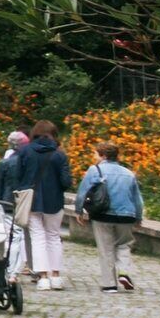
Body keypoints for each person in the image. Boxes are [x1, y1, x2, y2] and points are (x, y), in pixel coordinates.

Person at [78, 141, 145, 291]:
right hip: (126, 216)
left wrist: (79, 211)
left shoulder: (94, 170)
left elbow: (83, 192)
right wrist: (138, 217)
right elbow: (138, 200)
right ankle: (124, 272)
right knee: (124, 244)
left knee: (106, 248)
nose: (94, 157)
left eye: (96, 154)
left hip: (102, 214)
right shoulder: (128, 173)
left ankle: (109, 284)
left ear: (103, 156)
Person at [22, 125, 74, 289]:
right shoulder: (59, 155)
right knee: (53, 237)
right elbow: (66, 182)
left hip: (32, 200)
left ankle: (43, 277)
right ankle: (56, 276)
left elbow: (18, 177)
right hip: (54, 200)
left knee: (37, 238)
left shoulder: (26, 151)